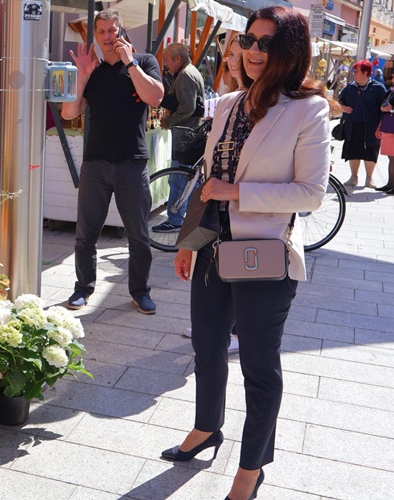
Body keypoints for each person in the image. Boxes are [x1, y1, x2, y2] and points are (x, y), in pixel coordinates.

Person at [168, 7, 331, 500]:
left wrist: (237, 192)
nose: (254, 51)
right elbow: (207, 178)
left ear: (290, 52)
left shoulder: (307, 109)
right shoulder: (229, 103)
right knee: (207, 348)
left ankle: (252, 466)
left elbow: (311, 193)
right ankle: (207, 427)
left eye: (266, 43)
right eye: (249, 40)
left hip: (261, 250)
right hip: (212, 245)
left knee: (259, 365)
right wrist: (188, 242)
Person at [61, 9, 164, 313]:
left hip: (132, 162)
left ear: (121, 31)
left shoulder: (144, 62)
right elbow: (69, 114)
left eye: (112, 30)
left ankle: (140, 291)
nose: (108, 37)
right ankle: (83, 288)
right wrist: (82, 76)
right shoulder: (93, 70)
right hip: (95, 164)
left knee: (139, 236)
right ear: (95, 36)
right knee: (86, 235)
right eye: (102, 32)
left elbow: (155, 97)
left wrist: (130, 63)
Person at [152, 43, 205, 233]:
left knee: (178, 178)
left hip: (186, 133)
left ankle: (175, 219)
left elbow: (187, 108)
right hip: (191, 132)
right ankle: (190, 217)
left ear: (177, 59)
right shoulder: (190, 72)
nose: (165, 63)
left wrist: (168, 121)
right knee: (189, 179)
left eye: (166, 59)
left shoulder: (185, 75)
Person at [337, 60, 387, 188]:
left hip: (371, 126)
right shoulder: (350, 87)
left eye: (356, 71)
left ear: (366, 73)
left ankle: (369, 179)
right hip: (352, 125)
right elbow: (340, 100)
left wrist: (380, 126)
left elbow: (384, 107)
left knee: (370, 151)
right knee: (353, 151)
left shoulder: (378, 88)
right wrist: (343, 107)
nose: (354, 74)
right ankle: (353, 177)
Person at [377, 89, 394, 193]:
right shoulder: (391, 90)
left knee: (393, 158)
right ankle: (390, 184)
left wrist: (390, 109)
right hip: (388, 127)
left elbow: (387, 107)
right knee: (391, 157)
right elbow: (383, 107)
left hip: (392, 127)